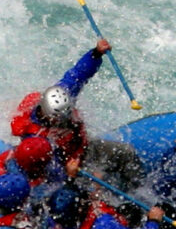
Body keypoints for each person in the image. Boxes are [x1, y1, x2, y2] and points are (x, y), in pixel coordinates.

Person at [11, 39, 144, 188]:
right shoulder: (37, 140)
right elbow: (50, 174)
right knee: (93, 188)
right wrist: (70, 174)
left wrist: (95, 53)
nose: (67, 117)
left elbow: (79, 73)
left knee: (127, 152)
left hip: (84, 149)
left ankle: (138, 189)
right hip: (68, 166)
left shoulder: (62, 94)